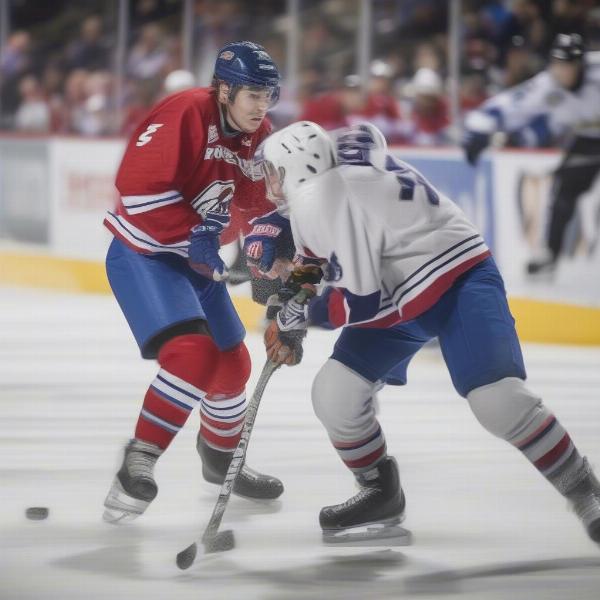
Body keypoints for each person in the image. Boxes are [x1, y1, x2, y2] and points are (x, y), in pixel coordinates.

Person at [248, 120, 600, 545]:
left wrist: (298, 316)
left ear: (296, 167)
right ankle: (380, 490)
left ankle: (584, 491)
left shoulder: (320, 196)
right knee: (334, 394)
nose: (267, 181)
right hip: (400, 287)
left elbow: (357, 299)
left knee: (497, 400)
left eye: (273, 171)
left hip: (456, 279)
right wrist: (292, 285)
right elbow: (319, 258)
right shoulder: (328, 172)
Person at [102, 41, 284, 524]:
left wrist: (268, 271)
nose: (262, 107)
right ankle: (138, 461)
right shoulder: (185, 111)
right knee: (193, 357)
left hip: (196, 264)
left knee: (232, 367)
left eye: (268, 96)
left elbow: (256, 210)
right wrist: (196, 237)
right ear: (224, 89)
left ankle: (220, 459)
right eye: (252, 95)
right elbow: (135, 191)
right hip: (146, 255)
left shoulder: (258, 133)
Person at [462, 33, 600, 274]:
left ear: (581, 64)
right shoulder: (546, 84)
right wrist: (479, 129)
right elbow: (509, 106)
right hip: (587, 140)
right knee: (563, 193)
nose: (564, 72)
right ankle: (550, 255)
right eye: (559, 65)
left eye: (570, 65)